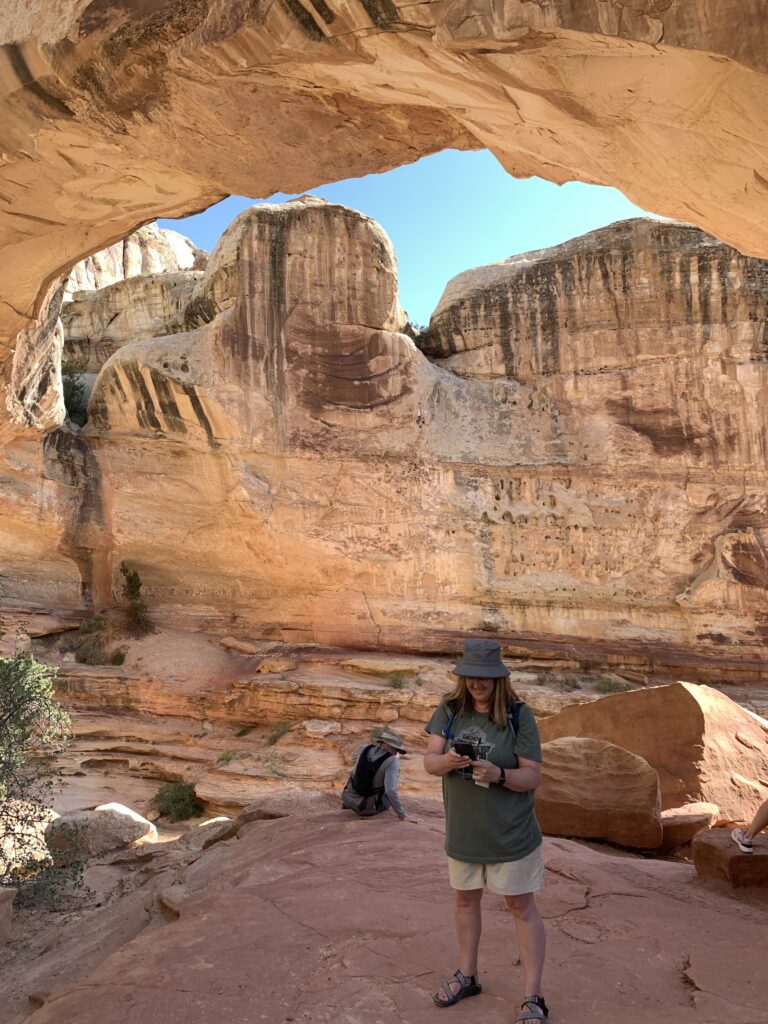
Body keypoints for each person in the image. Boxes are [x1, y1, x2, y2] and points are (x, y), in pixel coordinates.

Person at [424, 638, 548, 1024]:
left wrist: (499, 775)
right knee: (465, 901)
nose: (477, 682)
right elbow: (429, 762)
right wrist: (448, 760)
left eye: (485, 676)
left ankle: (532, 996)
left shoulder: (517, 714)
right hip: (464, 833)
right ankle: (468, 975)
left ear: (498, 678)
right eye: (471, 675)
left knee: (521, 907)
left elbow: (532, 776)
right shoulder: (449, 709)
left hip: (510, 834)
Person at [342, 727, 413, 821]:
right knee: (390, 783)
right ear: (390, 746)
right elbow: (390, 791)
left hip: (348, 799)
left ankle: (348, 803)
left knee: (355, 774)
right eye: (396, 749)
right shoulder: (392, 761)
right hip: (367, 809)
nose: (396, 753)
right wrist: (403, 815)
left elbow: (353, 759)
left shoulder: (363, 748)